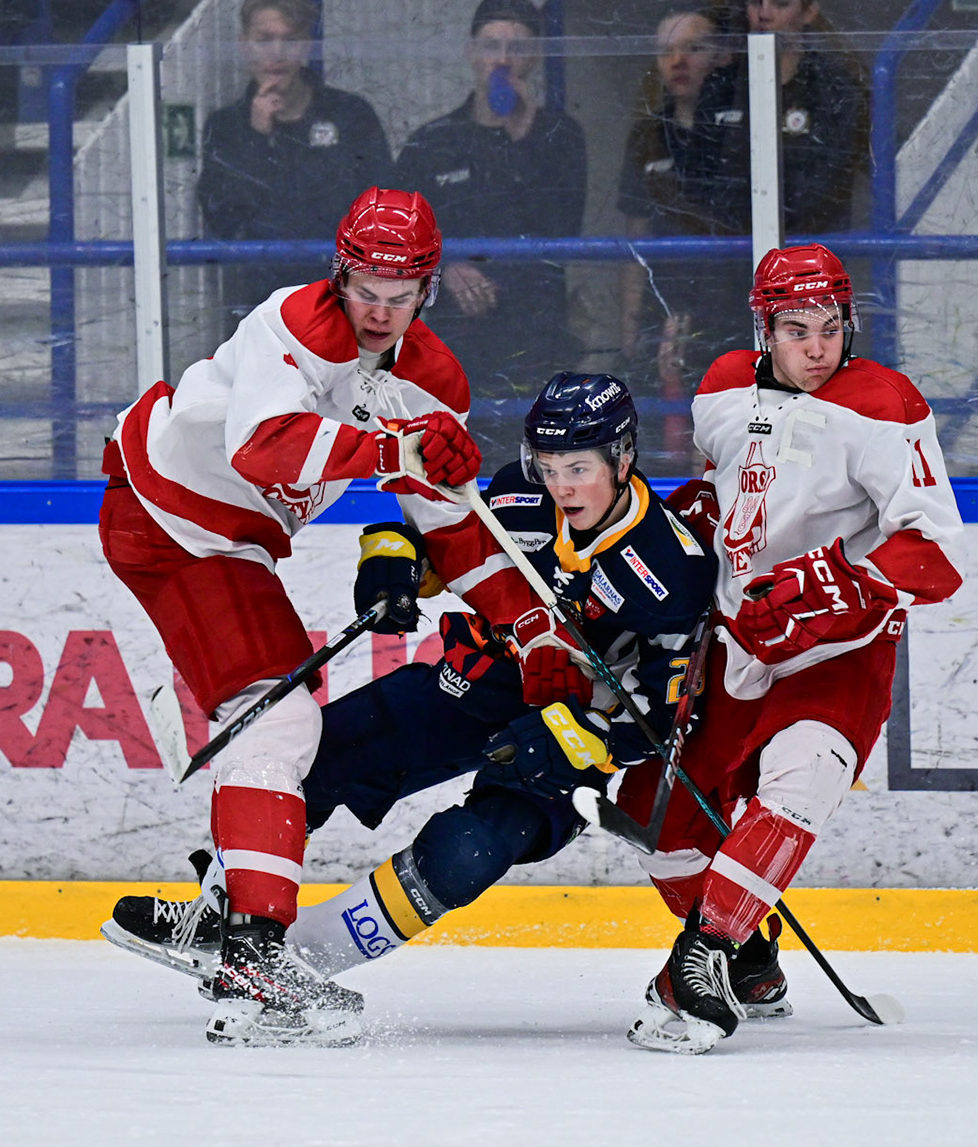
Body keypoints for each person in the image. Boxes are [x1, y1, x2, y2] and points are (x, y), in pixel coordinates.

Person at [104, 371, 717, 991]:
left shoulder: (672, 567)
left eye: (578, 469)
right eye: (548, 465)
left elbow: (663, 717)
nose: (559, 486)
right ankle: (222, 915)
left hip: (560, 738)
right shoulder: (516, 494)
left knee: (463, 854)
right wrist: (395, 563)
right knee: (310, 760)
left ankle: (302, 963)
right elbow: (439, 541)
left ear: (623, 458)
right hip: (472, 684)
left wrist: (584, 739)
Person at [96, 186, 532, 1047]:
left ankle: (221, 916)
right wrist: (396, 448)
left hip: (228, 543)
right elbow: (263, 447)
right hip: (168, 516)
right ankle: (254, 954)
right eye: (365, 289)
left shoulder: (432, 382)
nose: (378, 311)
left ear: (429, 288)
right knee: (279, 717)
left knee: (278, 718)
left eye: (399, 294)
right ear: (340, 275)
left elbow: (452, 530)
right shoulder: (291, 321)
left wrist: (532, 627)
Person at [615, 243, 964, 1054]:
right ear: (764, 329)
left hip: (838, 648)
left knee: (799, 783)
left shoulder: (885, 403)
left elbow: (937, 553)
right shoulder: (722, 387)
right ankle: (750, 957)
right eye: (796, 330)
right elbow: (727, 489)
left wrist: (837, 583)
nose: (817, 347)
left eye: (830, 328)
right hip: (735, 640)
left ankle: (700, 960)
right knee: (656, 817)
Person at [391, 0, 585, 404]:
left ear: (535, 57)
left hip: (536, 331)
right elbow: (401, 239)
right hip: (456, 334)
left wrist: (523, 134)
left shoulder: (560, 134)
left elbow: (563, 228)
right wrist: (446, 268)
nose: (502, 60)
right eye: (491, 46)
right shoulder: (434, 141)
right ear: (471, 52)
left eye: (517, 48)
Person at [198, 0, 391, 325]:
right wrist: (257, 137)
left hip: (343, 302)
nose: (277, 53)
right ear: (244, 45)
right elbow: (222, 219)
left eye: (289, 40)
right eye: (264, 40)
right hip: (260, 305)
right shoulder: (227, 127)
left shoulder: (350, 115)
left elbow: (383, 205)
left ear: (307, 46)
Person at [616, 7, 749, 440]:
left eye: (693, 48)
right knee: (671, 434)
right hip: (669, 306)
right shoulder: (647, 136)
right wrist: (632, 331)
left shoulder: (747, 125)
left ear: (723, 55)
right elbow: (637, 241)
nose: (678, 61)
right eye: (666, 51)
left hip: (736, 303)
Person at [742, 0, 867, 234]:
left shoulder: (833, 87)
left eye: (780, 4)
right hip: (732, 246)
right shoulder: (723, 86)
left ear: (809, 12)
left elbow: (828, 183)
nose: (764, 14)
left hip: (812, 244)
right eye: (756, 3)